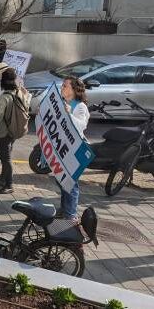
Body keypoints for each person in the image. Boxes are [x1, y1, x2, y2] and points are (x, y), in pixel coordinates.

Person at [57, 77, 90, 222]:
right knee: (63, 181)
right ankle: (65, 209)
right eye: (62, 85)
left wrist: (69, 113)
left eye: (65, 86)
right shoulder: (62, 102)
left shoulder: (80, 106)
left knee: (71, 183)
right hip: (64, 148)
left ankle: (70, 215)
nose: (62, 88)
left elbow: (81, 125)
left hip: (75, 151)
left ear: (74, 90)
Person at [0, 68, 23, 194]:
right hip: (13, 130)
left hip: (3, 132)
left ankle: (9, 185)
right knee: (6, 156)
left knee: (6, 158)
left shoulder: (4, 98)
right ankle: (2, 180)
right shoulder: (18, 93)